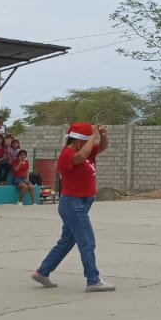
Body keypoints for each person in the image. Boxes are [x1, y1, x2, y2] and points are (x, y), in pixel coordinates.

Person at [32, 123, 115, 291]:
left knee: (66, 242)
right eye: (86, 141)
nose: (90, 144)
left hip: (81, 203)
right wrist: (93, 136)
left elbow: (102, 148)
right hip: (73, 204)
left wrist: (103, 136)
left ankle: (42, 272)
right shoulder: (67, 155)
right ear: (78, 141)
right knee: (87, 241)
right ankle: (93, 280)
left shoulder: (85, 151)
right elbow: (81, 156)